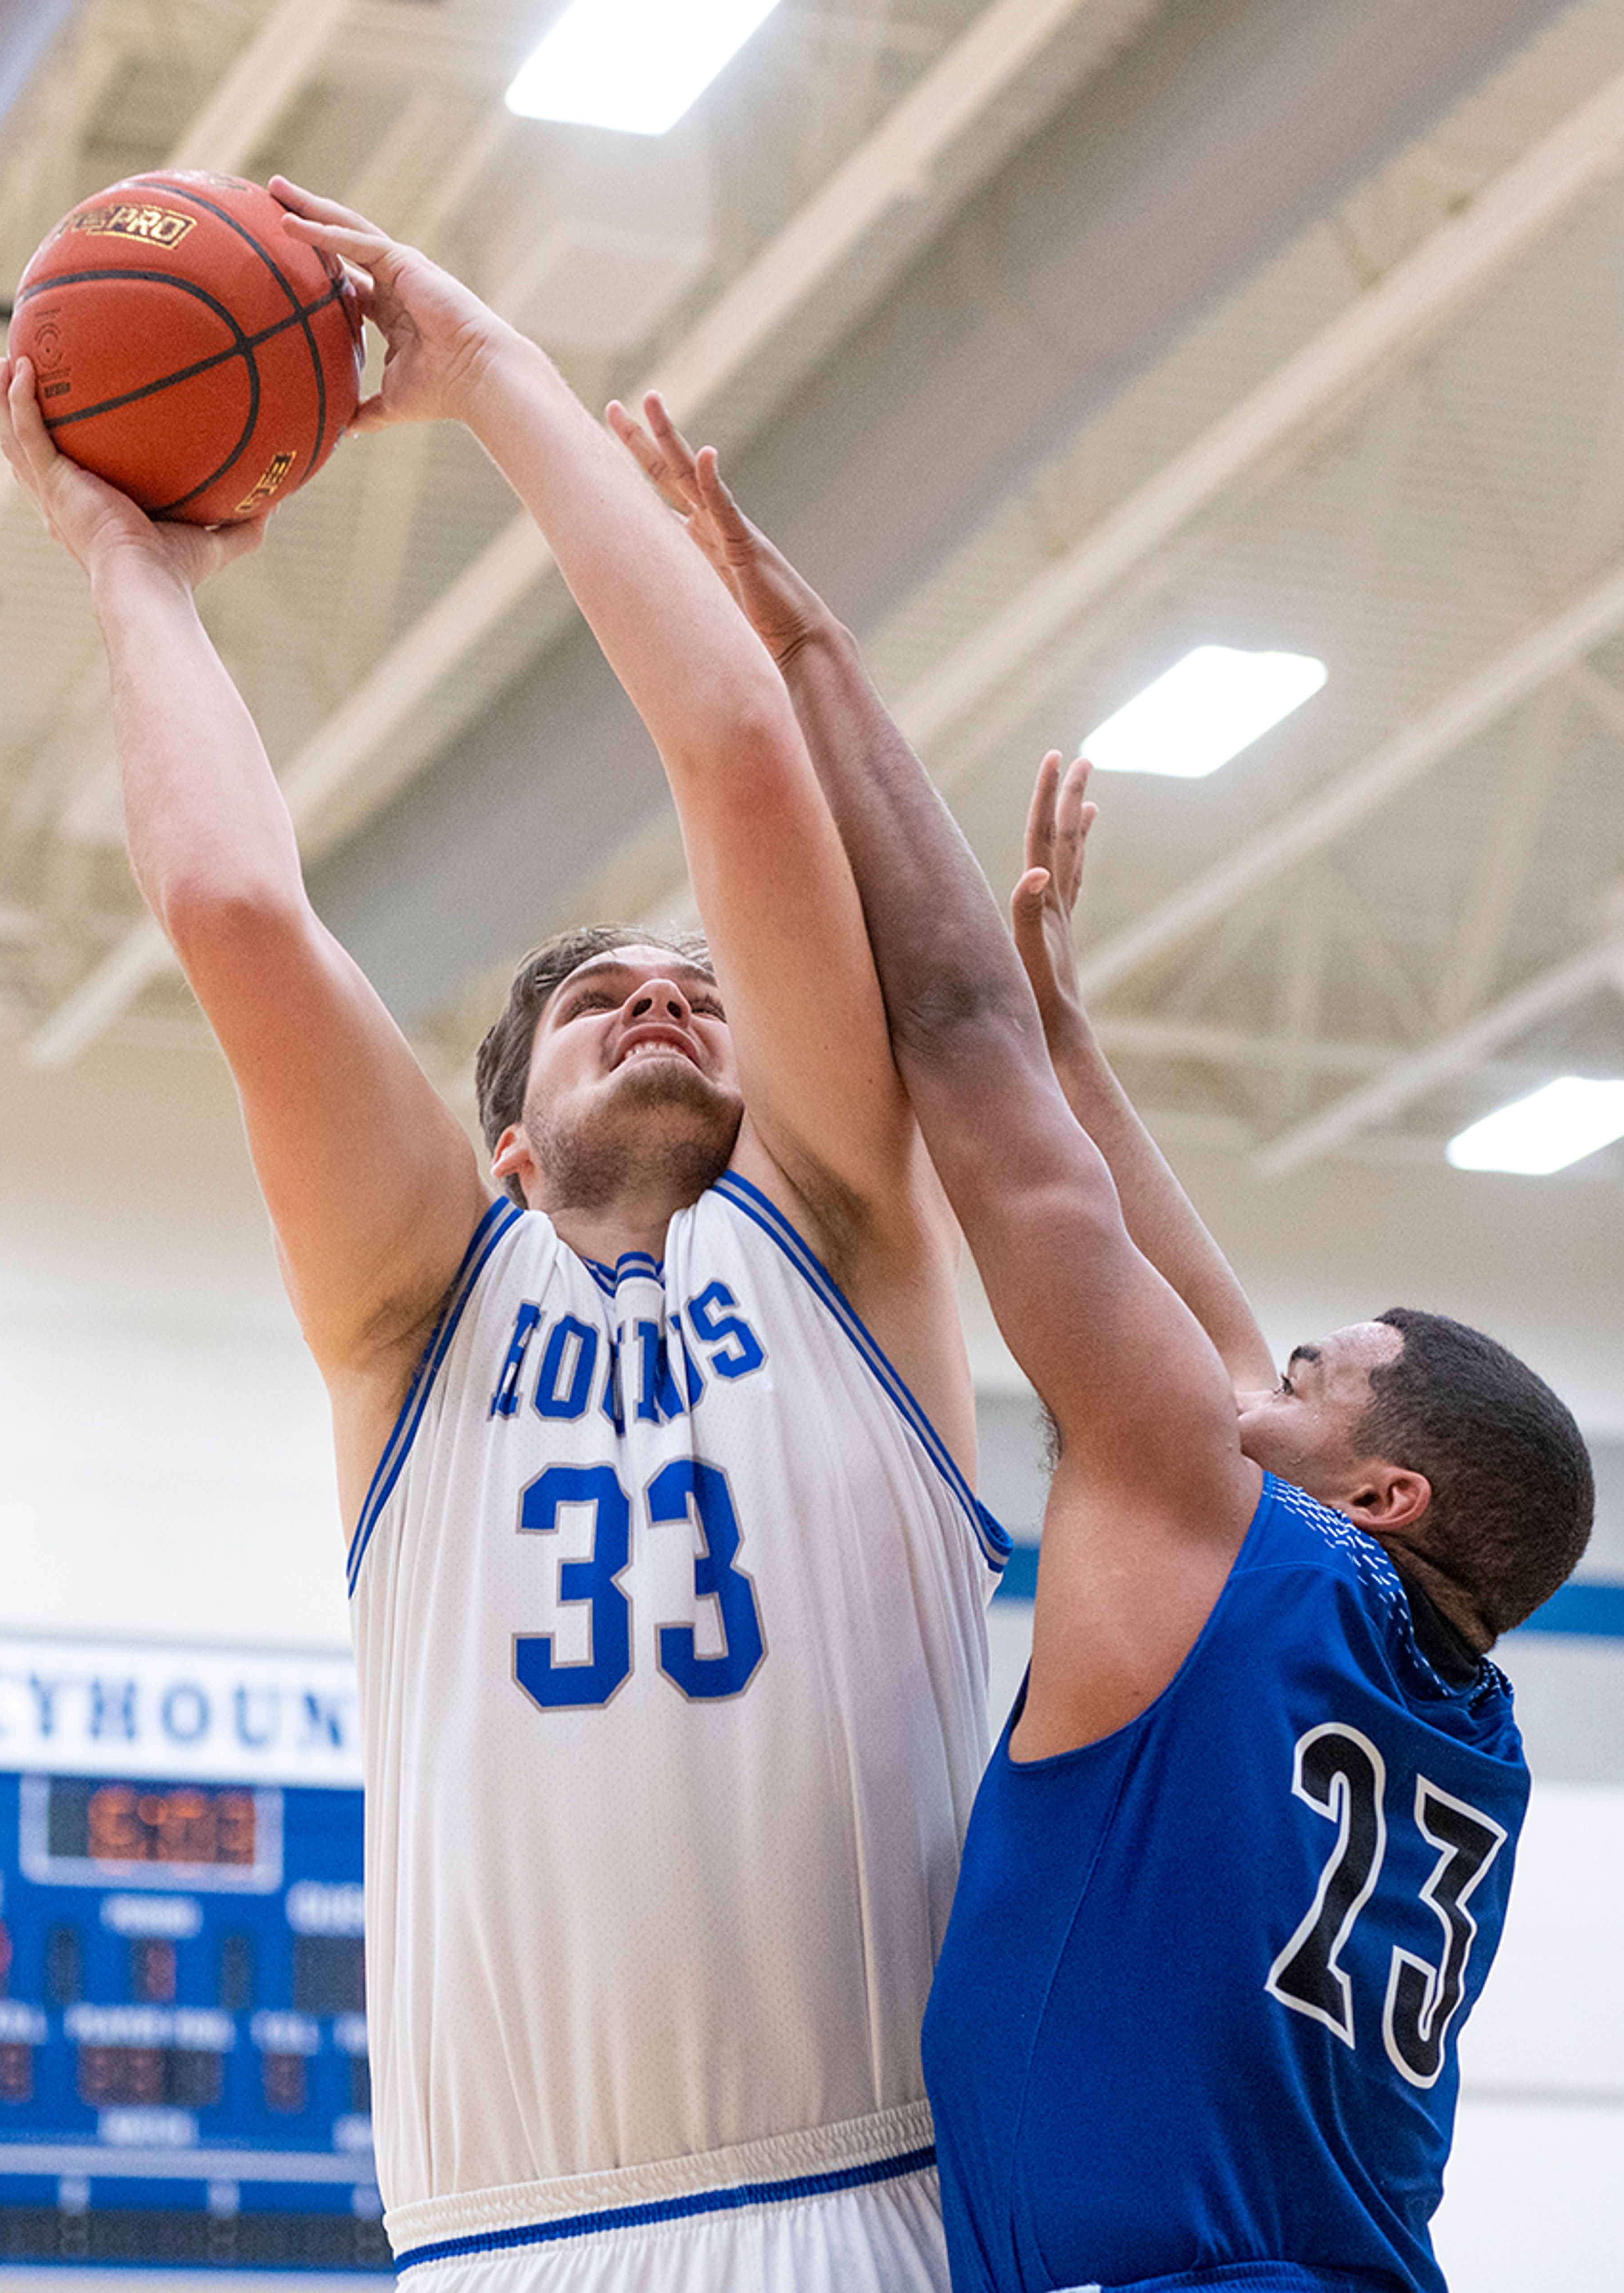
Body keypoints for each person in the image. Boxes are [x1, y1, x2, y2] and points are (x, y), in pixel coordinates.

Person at [0, 185, 1008, 2291]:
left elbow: (741, 760)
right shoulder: (415, 1316)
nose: (664, 993)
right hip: (500, 2240)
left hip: (874, 2204)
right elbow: (236, 913)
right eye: (594, 997)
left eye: (701, 988)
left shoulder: (846, 1244)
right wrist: (124, 563)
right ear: (508, 1151)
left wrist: (482, 372)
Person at [611, 398, 1594, 2293]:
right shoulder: (1460, 1720)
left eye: (1308, 1382)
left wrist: (814, 658)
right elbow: (1211, 1335)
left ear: (1382, 1489)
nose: (1256, 1382)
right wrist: (1083, 1039)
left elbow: (952, 1031)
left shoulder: (1231, 1534)